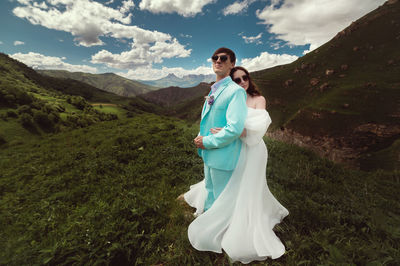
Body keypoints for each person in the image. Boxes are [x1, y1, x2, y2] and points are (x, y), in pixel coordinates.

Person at [184, 66, 289, 264]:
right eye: (237, 79)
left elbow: (259, 127)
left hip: (253, 147)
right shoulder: (234, 96)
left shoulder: (258, 99)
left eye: (244, 78)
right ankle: (228, 209)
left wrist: (233, 131)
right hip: (236, 147)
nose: (242, 82)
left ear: (249, 79)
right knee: (235, 179)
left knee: (248, 181)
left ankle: (243, 214)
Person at [193, 47, 248, 212]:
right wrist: (200, 137)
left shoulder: (236, 92)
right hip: (209, 153)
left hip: (223, 155)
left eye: (223, 58)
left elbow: (234, 129)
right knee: (210, 192)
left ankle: (222, 233)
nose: (218, 61)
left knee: (222, 200)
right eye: (215, 57)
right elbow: (209, 120)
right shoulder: (214, 90)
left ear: (232, 64)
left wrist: (207, 141)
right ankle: (209, 224)